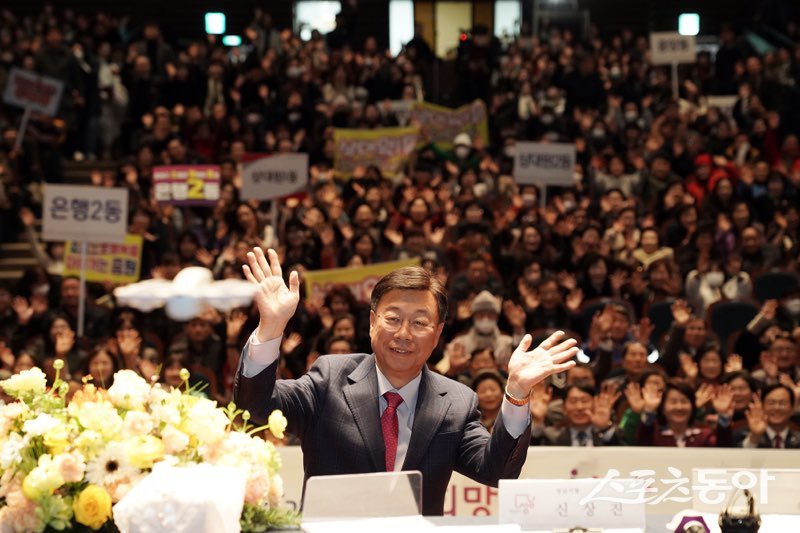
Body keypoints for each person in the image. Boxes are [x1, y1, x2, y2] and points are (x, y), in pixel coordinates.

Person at [234, 247, 577, 515]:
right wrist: (271, 329)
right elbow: (255, 408)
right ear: (372, 322)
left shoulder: (457, 402)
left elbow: (496, 472)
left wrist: (517, 392)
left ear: (438, 332)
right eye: (393, 318)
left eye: (419, 322)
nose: (403, 334)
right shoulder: (329, 378)